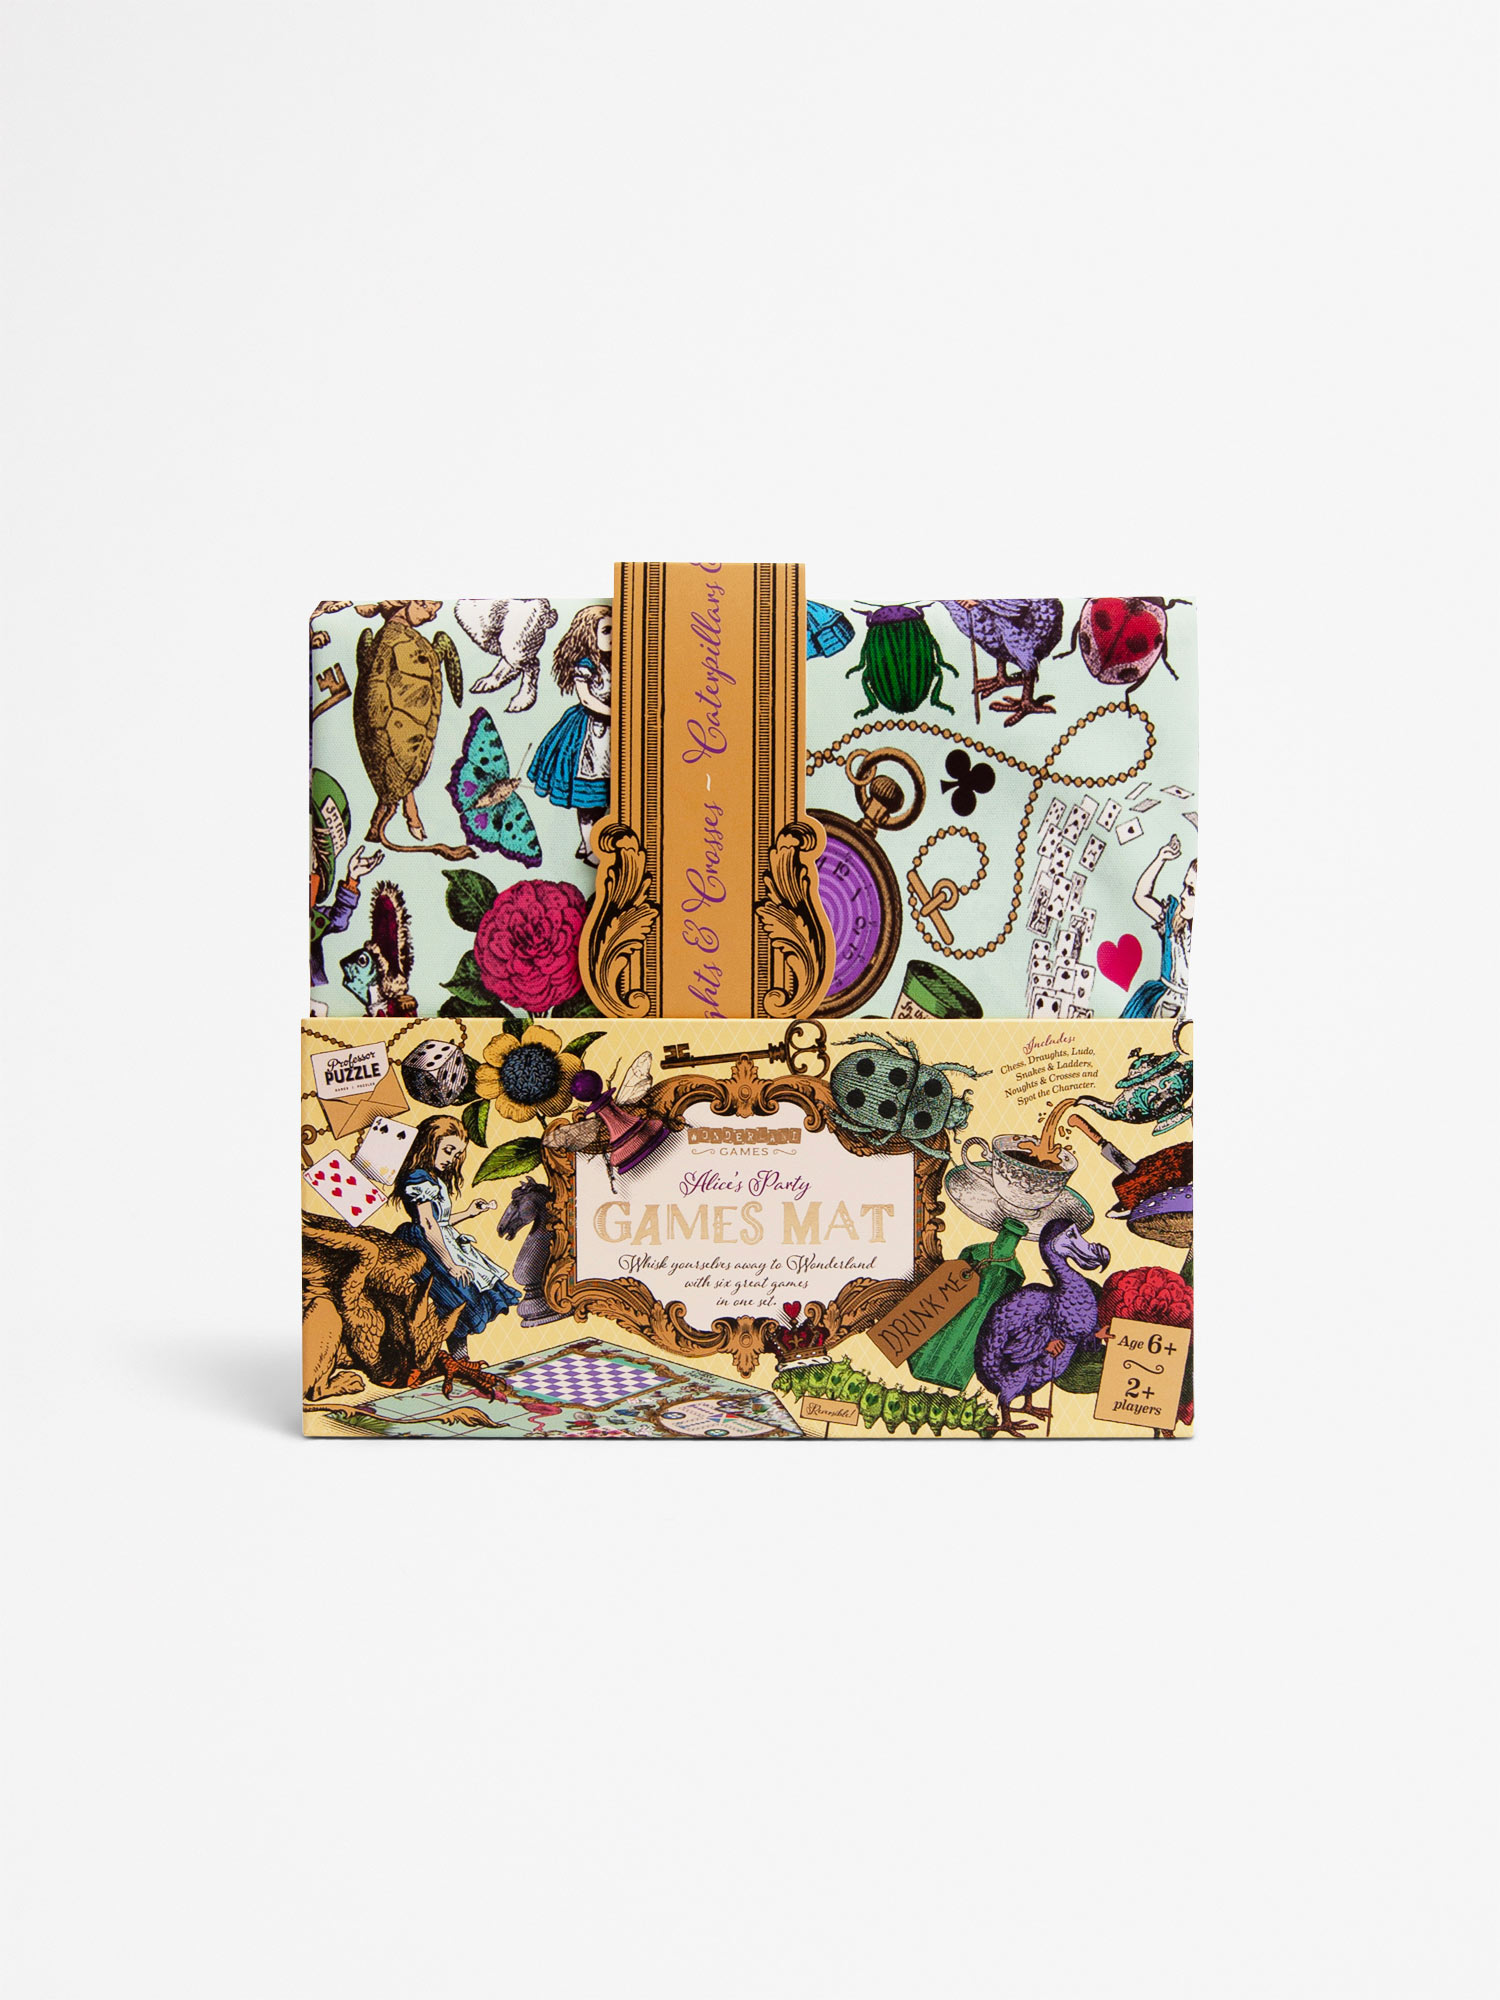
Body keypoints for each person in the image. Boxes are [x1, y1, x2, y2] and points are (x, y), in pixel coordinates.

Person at [393, 1116, 521, 1360]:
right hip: (423, 1244)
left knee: (465, 1298)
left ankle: (460, 1360)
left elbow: (440, 1221)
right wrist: (450, 1264)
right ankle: (455, 1360)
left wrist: (470, 1212)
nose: (451, 1158)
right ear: (429, 1144)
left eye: (457, 1154)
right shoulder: (417, 1177)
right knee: (458, 1299)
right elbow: (427, 1223)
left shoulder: (434, 1178)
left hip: (439, 1239)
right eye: (448, 1150)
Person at [528, 603, 611, 861]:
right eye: (606, 630)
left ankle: (590, 844)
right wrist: (617, 715)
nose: (613, 637)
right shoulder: (585, 665)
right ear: (589, 634)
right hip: (590, 735)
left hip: (608, 735)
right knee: (588, 798)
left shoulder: (614, 662)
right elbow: (586, 699)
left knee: (604, 797)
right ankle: (591, 847)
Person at [1124, 836, 1194, 1019]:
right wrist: (1160, 859)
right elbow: (1141, 897)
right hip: (1161, 1001)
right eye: (1185, 887)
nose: (1183, 895)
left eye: (1191, 891)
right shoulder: (1174, 918)